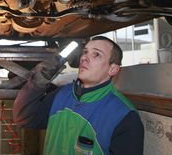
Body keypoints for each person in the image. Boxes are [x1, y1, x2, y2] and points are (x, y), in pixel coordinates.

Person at [13, 36, 144, 155]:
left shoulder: (124, 116)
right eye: (85, 52)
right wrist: (37, 83)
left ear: (113, 69)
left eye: (96, 54)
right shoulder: (61, 95)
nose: (84, 58)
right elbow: (24, 118)